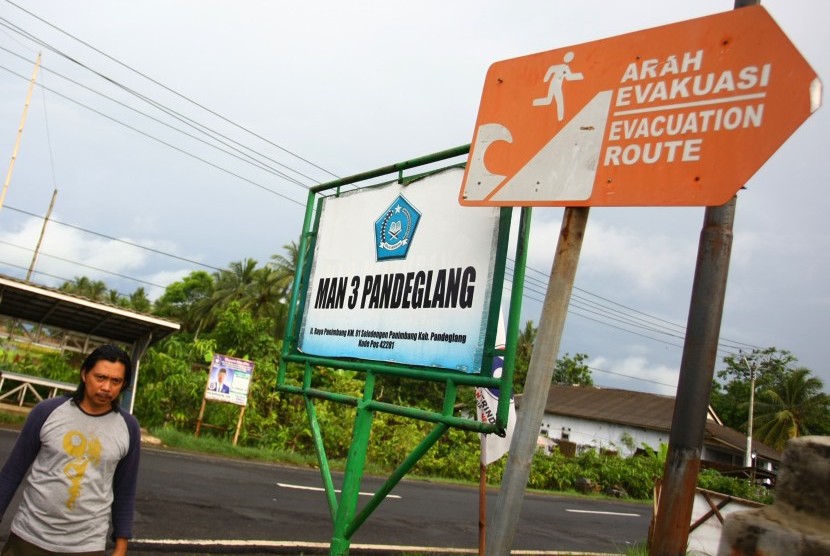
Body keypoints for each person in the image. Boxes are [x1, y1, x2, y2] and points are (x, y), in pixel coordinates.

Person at [0, 344, 141, 556]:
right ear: (85, 374)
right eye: (100, 377)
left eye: (116, 381)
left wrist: (121, 547)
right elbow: (12, 473)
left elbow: (125, 490)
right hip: (29, 536)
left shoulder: (128, 427)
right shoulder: (47, 412)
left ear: (123, 384)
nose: (106, 387)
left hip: (86, 545)